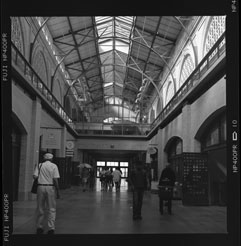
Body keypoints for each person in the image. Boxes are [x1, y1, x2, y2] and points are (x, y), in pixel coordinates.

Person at [33, 153, 60, 235]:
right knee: (51, 208)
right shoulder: (54, 166)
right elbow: (55, 179)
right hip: (50, 187)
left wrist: (42, 176)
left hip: (40, 187)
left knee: (40, 207)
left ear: (44, 159)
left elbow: (35, 176)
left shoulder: (39, 165)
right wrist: (58, 190)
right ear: (51, 159)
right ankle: (51, 228)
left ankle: (39, 227)